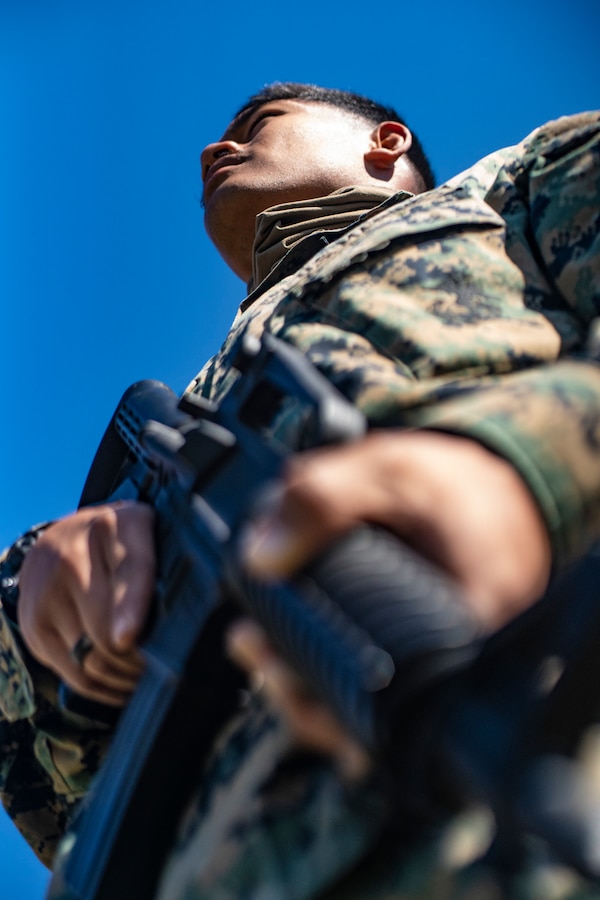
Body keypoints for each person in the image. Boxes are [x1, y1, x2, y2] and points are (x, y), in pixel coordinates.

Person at [1, 81, 599, 898]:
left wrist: (524, 466)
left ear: (386, 143)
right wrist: (39, 616)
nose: (213, 150)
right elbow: (71, 800)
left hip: (524, 771)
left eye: (258, 124)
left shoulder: (514, 188)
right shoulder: (194, 408)